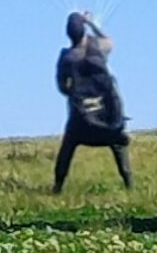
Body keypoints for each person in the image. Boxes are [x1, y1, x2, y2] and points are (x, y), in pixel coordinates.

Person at [52, 11, 132, 192]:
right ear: (84, 30)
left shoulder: (66, 58)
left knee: (68, 146)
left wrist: (73, 95)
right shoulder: (99, 48)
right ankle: (129, 183)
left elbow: (62, 86)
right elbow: (109, 41)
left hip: (82, 122)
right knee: (118, 142)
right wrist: (91, 23)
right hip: (108, 119)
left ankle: (58, 186)